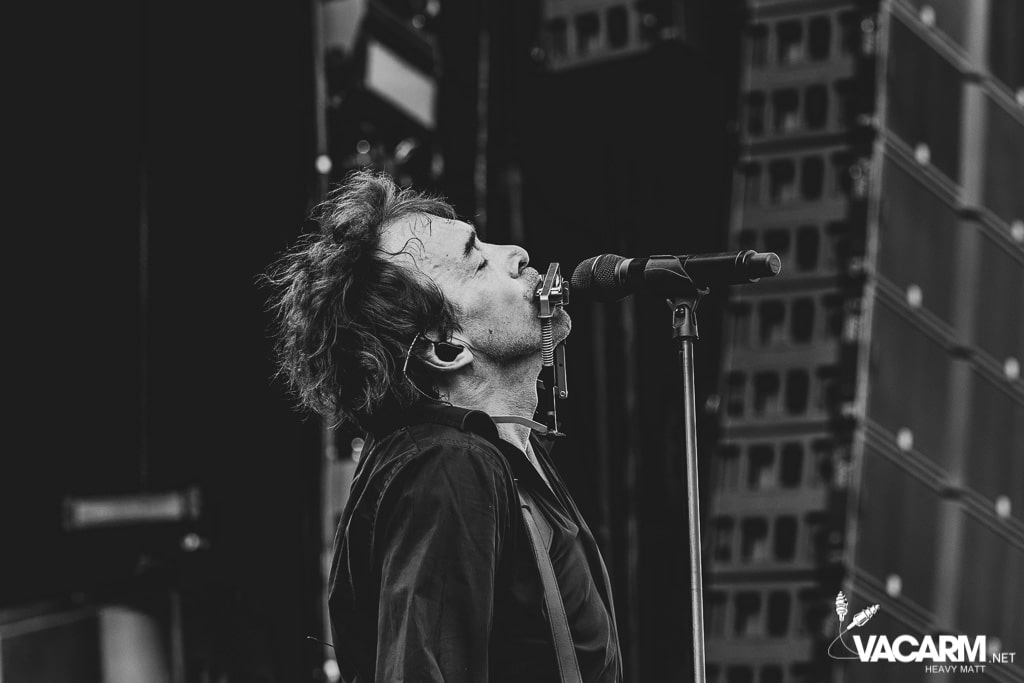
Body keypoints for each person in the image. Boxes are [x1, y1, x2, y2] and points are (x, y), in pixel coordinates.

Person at [265, 170, 622, 682]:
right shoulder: (448, 465)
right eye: (477, 260)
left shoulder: (495, 455)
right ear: (446, 347)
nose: (517, 253)